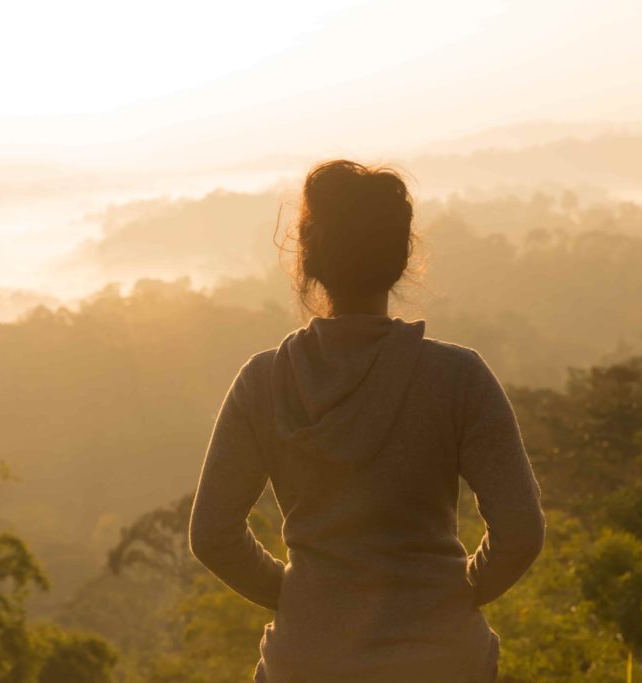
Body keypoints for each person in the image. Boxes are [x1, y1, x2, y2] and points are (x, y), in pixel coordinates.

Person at [187, 160, 545, 682]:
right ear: (400, 259)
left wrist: (296, 596)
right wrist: (454, 596)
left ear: (308, 260)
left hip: (307, 663)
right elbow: (520, 531)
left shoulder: (263, 382)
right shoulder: (456, 376)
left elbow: (212, 535)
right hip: (442, 660)